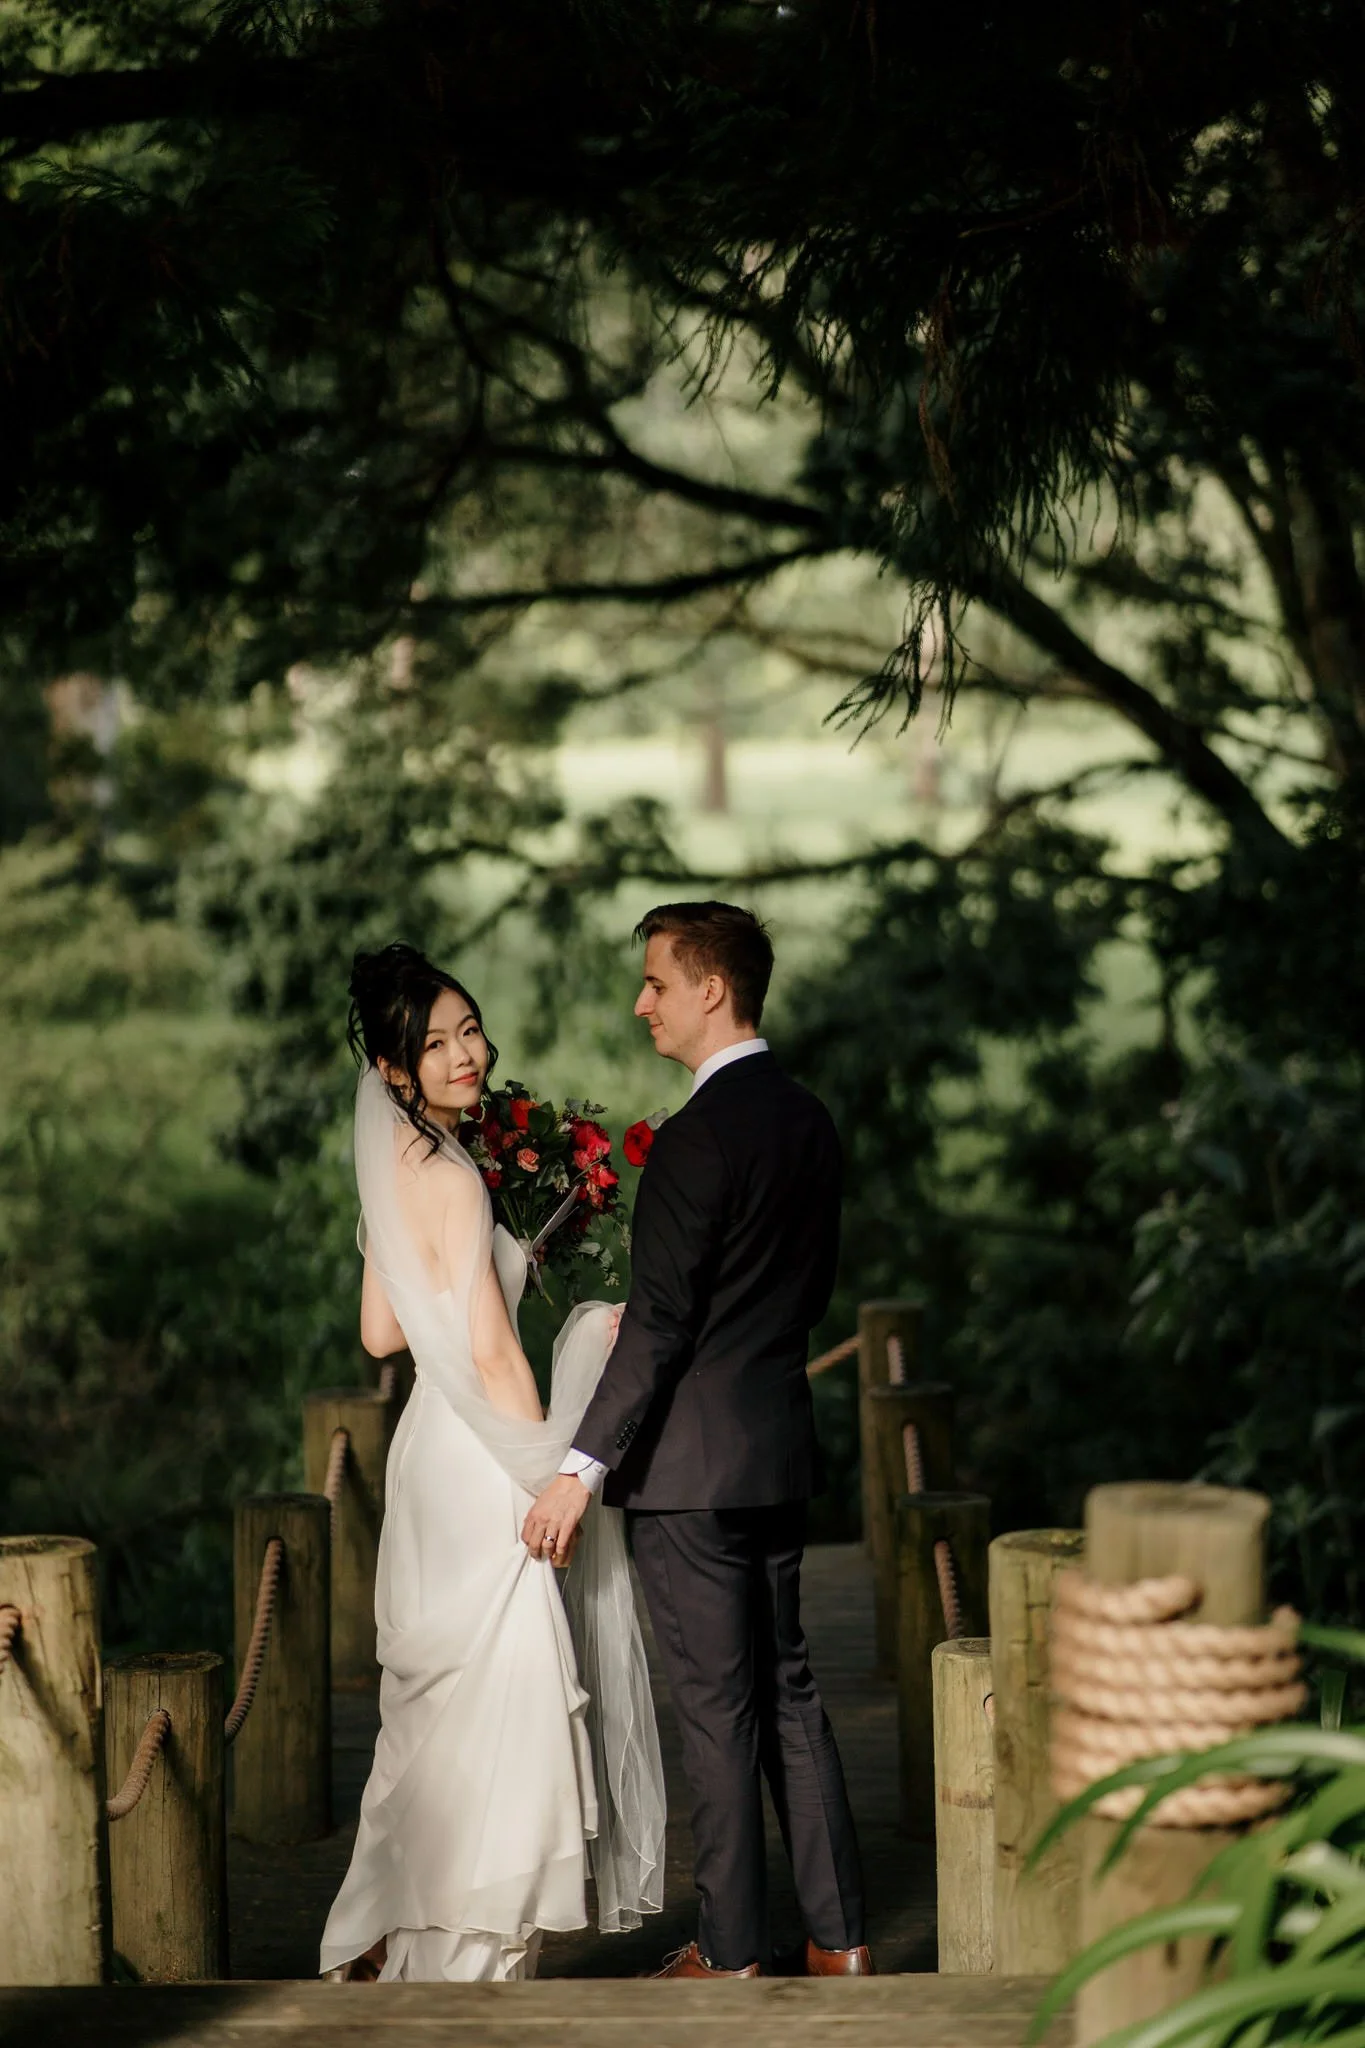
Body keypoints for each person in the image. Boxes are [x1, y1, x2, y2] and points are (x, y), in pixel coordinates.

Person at [523, 902, 871, 1979]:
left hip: (687, 1468)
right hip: (772, 1447)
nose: (643, 1002)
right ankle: (841, 1936)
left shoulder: (692, 1138)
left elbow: (665, 1321)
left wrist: (578, 1469)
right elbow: (805, 1290)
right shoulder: (810, 1120)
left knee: (719, 1709)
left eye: (657, 982)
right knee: (791, 1690)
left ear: (711, 989)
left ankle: (730, 1951)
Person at [319, 943, 663, 1984]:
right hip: (480, 1457)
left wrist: (496, 1262)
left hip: (429, 1447)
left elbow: (383, 1332)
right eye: (435, 1043)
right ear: (394, 1069)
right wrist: (551, 1470)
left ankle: (417, 1934)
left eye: (469, 1029)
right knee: (502, 1696)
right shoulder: (458, 1178)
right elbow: (496, 1350)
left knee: (437, 1709)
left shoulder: (402, 1169)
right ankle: (476, 1954)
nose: (465, 1053)